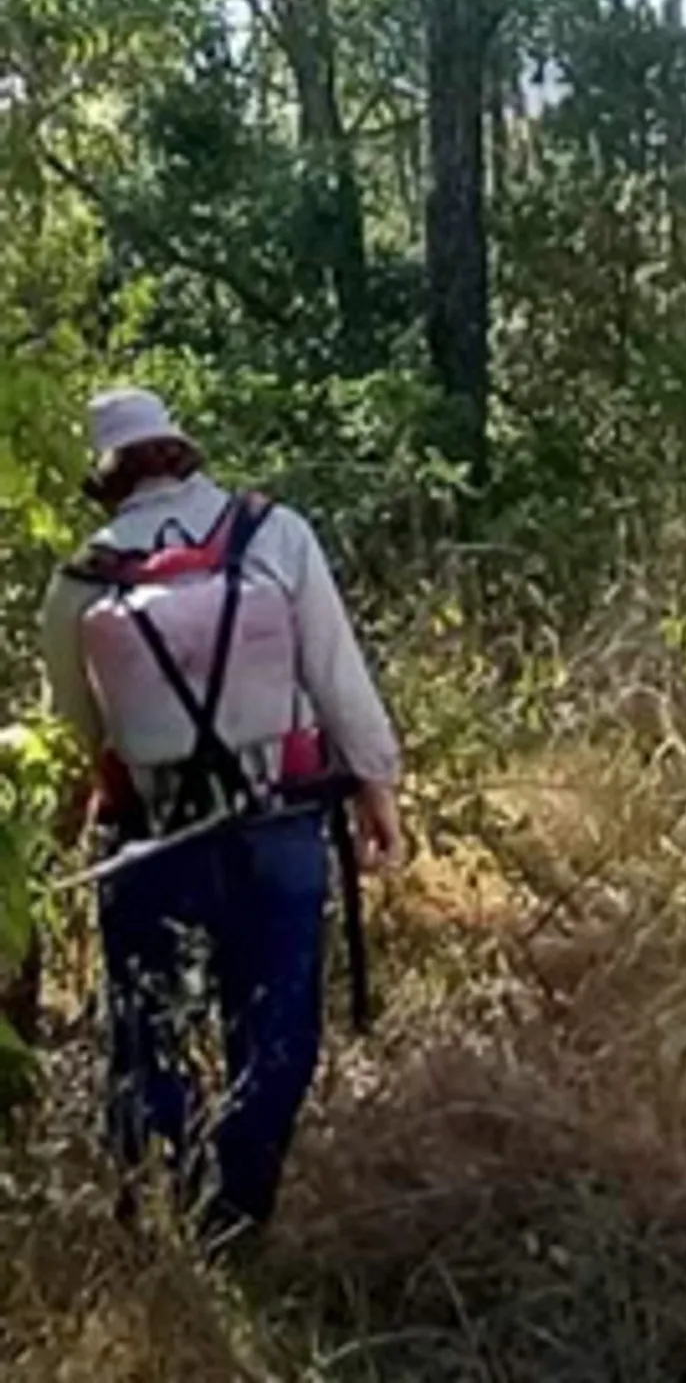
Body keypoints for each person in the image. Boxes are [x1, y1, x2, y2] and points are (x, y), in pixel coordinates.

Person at [39, 388, 404, 1245]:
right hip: (279, 821)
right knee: (276, 1028)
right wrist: (377, 790)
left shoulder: (80, 582)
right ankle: (237, 1217)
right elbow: (337, 675)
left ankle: (164, 1216)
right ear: (180, 450)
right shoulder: (275, 533)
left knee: (152, 1033)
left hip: (150, 840)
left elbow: (74, 740)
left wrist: (58, 843)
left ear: (104, 477)